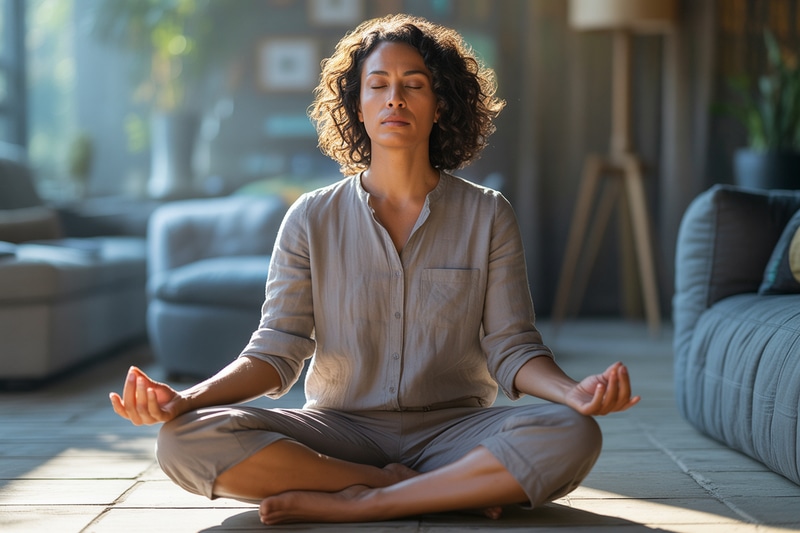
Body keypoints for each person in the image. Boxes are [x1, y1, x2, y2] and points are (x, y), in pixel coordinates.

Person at [109, 14, 640, 526]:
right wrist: (186, 399)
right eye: (378, 84)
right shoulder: (310, 217)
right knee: (182, 439)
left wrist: (574, 394)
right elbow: (276, 350)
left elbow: (513, 347)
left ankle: (361, 503)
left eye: (414, 84)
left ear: (440, 107)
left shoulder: (488, 213)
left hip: (457, 430)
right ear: (357, 107)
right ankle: (413, 487)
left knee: (574, 433)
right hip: (337, 431)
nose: (395, 98)